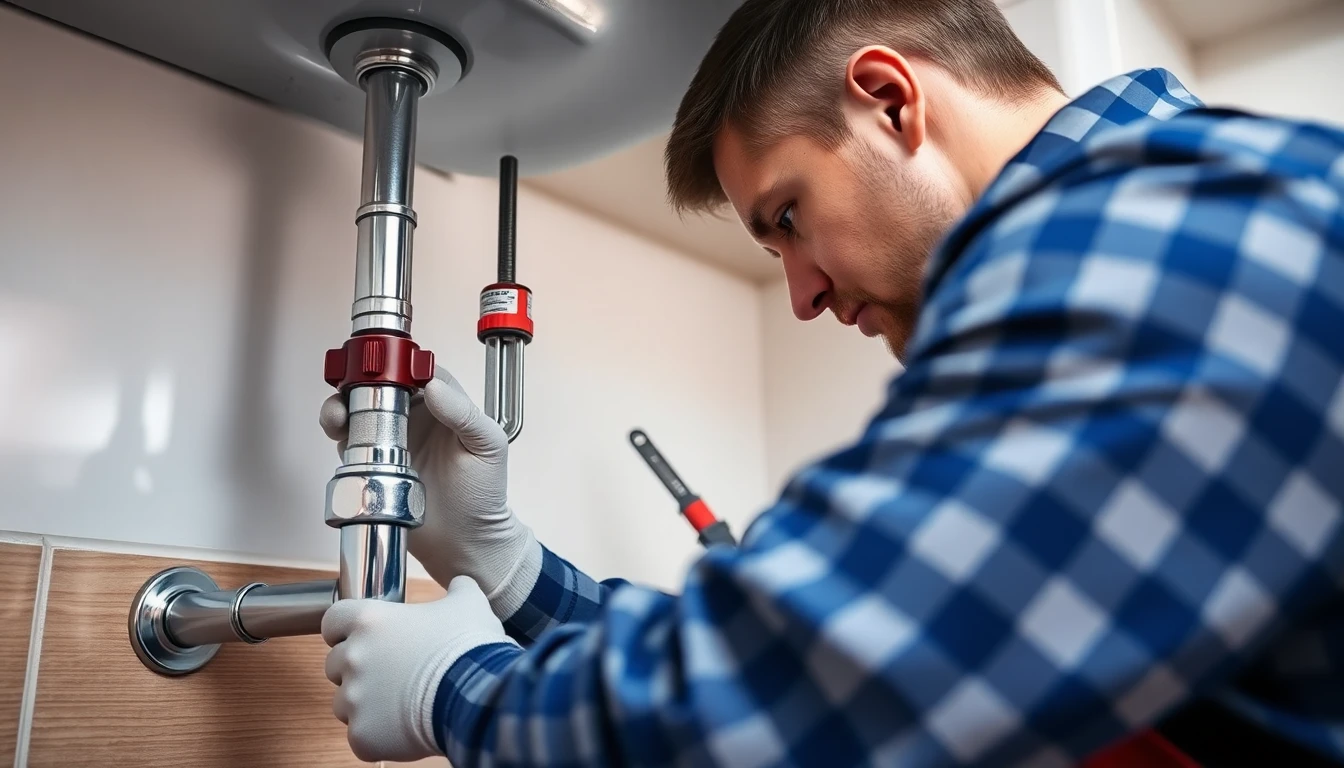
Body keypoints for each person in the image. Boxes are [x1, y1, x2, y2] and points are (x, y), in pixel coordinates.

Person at [318, 0, 1344, 764]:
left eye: (789, 219)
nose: (803, 295)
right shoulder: (1190, 216)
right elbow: (857, 641)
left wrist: (460, 693)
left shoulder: (1147, 247)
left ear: (891, 99)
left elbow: (796, 711)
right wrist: (507, 570)